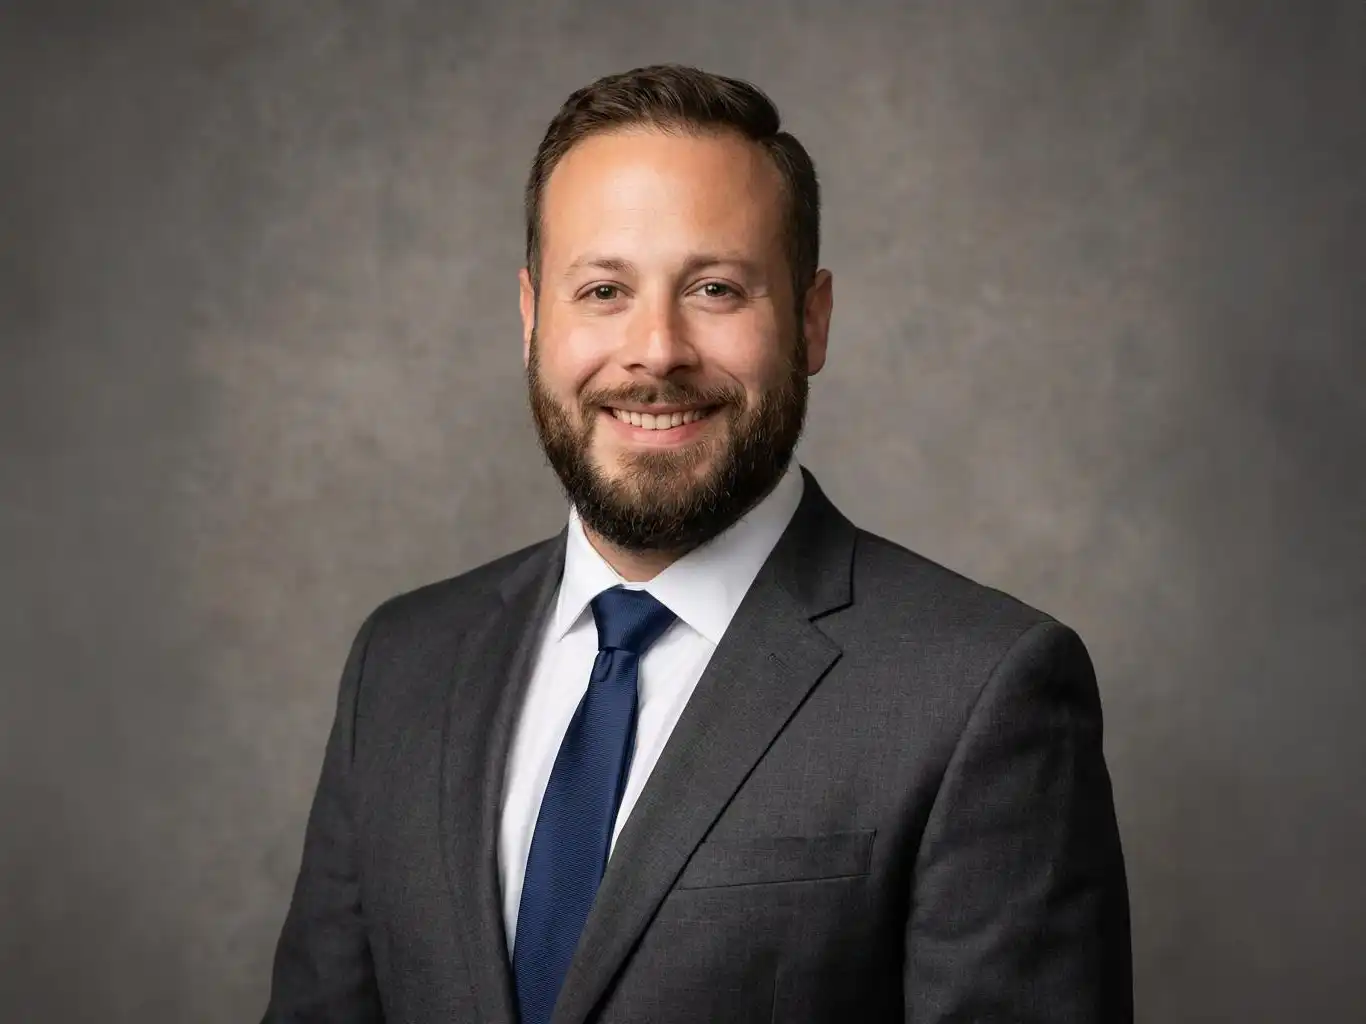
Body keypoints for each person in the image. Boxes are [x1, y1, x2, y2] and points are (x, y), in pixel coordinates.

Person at [262, 63, 1132, 1024]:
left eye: (715, 288)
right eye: (601, 290)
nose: (655, 351)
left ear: (811, 321)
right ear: (530, 318)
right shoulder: (402, 663)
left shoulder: (978, 691)